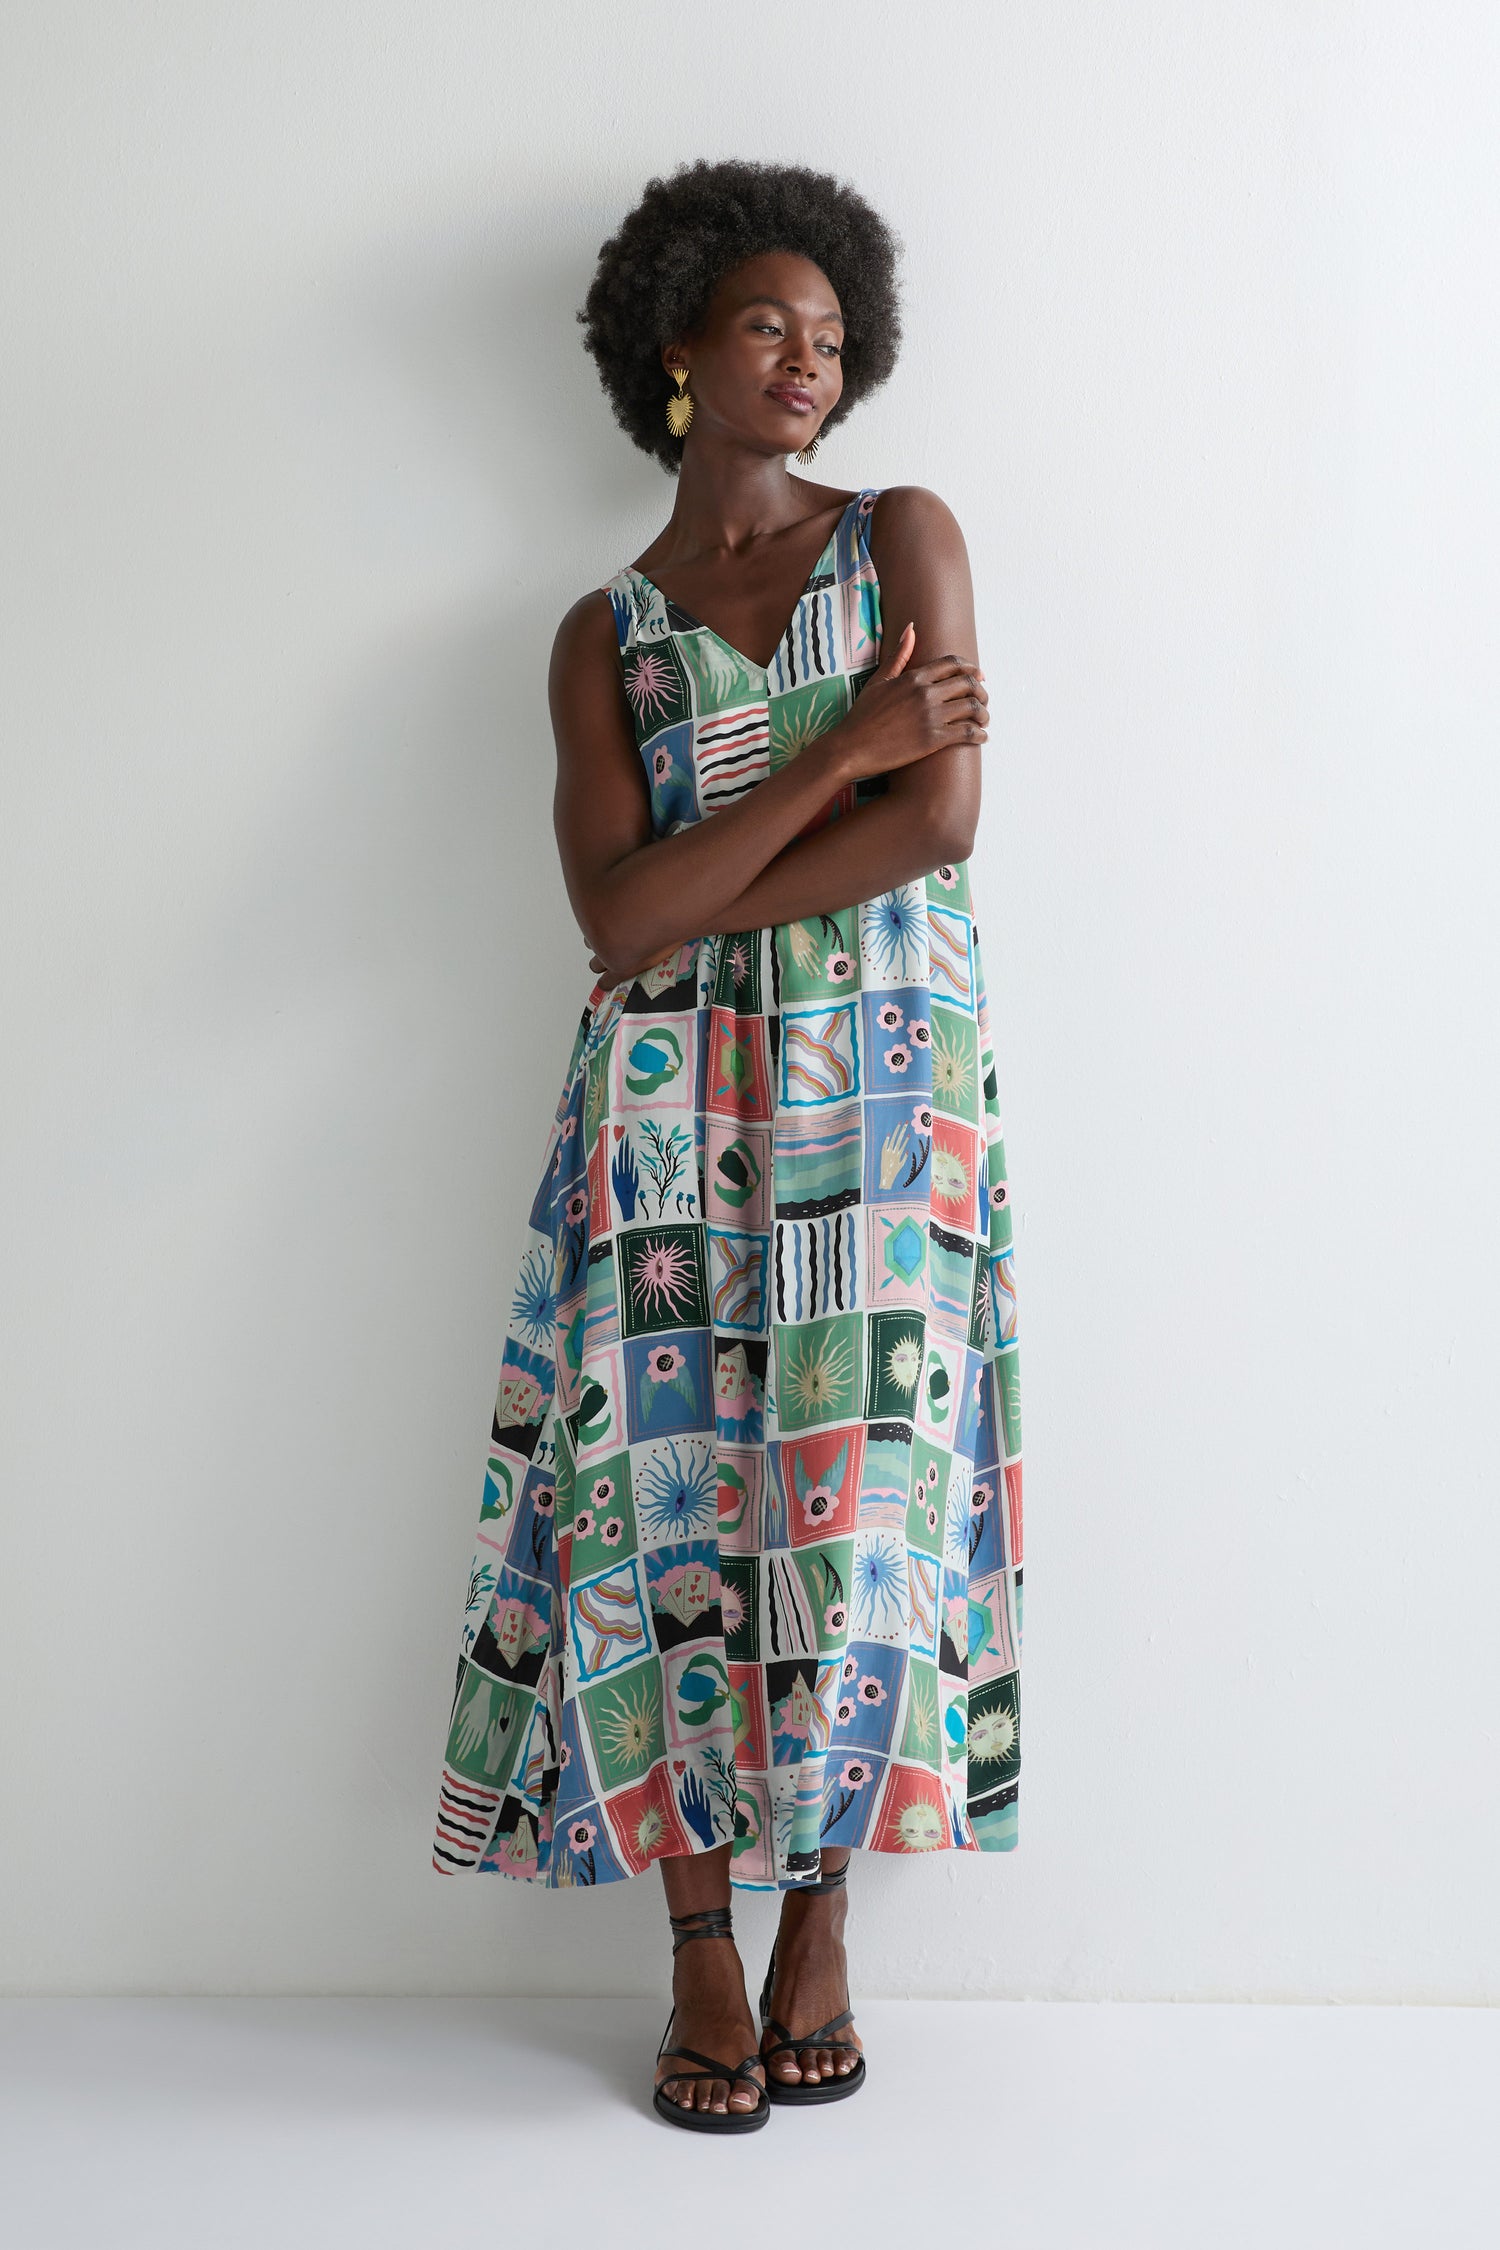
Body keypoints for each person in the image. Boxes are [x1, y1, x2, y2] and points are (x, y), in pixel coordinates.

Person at [432, 157, 1023, 2134]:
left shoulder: (904, 533)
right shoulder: (600, 633)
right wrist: (839, 751)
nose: (807, 361)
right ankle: (696, 1945)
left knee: (857, 1497)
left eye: (833, 335)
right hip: (666, 1102)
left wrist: (693, 888)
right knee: (658, 1496)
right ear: (677, 346)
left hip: (884, 1085)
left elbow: (940, 828)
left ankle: (816, 1921)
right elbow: (611, 921)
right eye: (768, 324)